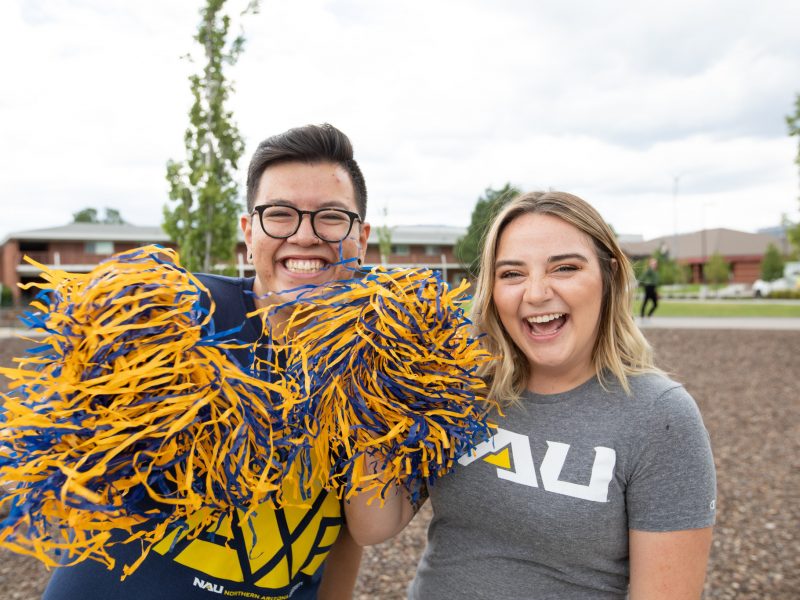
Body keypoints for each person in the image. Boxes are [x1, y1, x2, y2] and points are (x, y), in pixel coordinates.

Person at [43, 123, 369, 599]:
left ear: (361, 235)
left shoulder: (378, 355)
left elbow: (345, 532)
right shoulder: (180, 320)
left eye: (331, 218)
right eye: (279, 214)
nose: (305, 235)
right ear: (248, 230)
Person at [344, 191, 716, 599]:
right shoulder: (458, 385)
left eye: (565, 268)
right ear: (491, 290)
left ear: (609, 276)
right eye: (512, 274)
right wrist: (370, 391)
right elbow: (374, 526)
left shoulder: (659, 416)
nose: (536, 293)